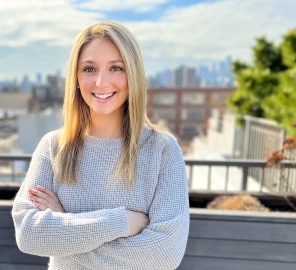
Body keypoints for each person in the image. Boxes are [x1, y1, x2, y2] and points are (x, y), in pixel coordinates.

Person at [12, 21, 189, 270]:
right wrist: (120, 222)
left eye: (116, 68)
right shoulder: (53, 147)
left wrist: (66, 226)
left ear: (133, 76)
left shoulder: (163, 150)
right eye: (89, 69)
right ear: (76, 77)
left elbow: (165, 254)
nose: (101, 82)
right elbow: (28, 235)